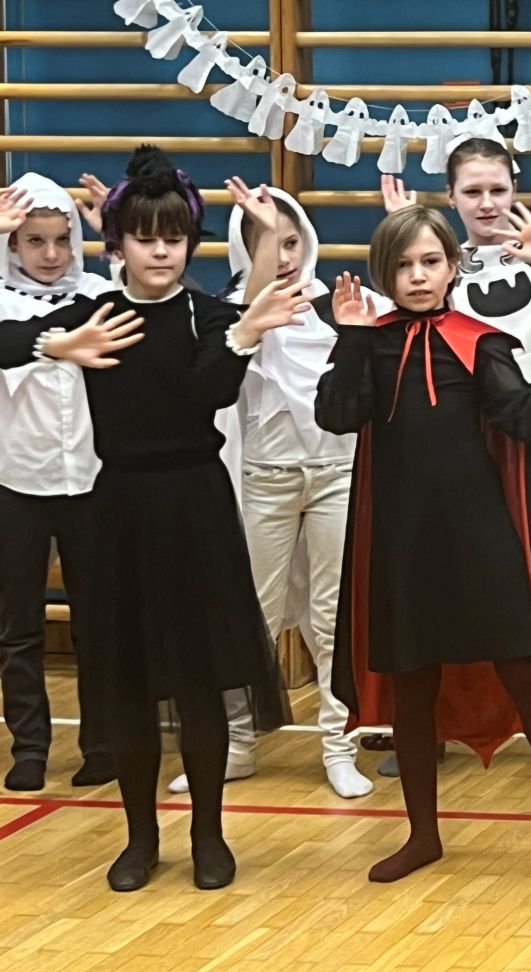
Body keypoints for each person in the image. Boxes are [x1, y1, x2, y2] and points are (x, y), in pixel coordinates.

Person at [0, 146, 307, 891]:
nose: (161, 251)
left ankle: (208, 834)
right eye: (145, 238)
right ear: (117, 245)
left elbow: (208, 393)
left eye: (174, 238)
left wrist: (263, 260)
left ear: (190, 244)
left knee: (200, 686)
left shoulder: (208, 315)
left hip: (196, 507)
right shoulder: (97, 313)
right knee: (129, 687)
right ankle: (140, 838)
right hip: (120, 510)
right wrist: (52, 344)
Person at [316, 205, 531, 888]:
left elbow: (527, 419)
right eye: (402, 266)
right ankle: (423, 834)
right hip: (403, 546)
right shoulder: (370, 343)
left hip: (482, 542)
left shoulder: (479, 342)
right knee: (412, 692)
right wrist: (353, 337)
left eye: (430, 262)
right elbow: (337, 415)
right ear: (383, 274)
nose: (418, 276)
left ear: (453, 266)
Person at [383, 138, 531, 776]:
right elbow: (406, 329)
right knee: (441, 587)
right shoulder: (437, 261)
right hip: (463, 453)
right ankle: (429, 731)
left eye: (498, 189)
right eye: (473, 191)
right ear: (452, 196)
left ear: (514, 189)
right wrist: (402, 230)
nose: (487, 203)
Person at [167, 181, 380, 801]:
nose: (283, 256)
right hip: (265, 479)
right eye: (264, 243)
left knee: (331, 617)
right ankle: (236, 744)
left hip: (336, 476)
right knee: (249, 615)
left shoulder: (340, 304)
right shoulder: (229, 312)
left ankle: (339, 745)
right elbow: (234, 344)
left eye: (290, 242)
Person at [0, 174, 118, 792]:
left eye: (61, 240)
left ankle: (103, 744)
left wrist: (113, 238)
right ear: (12, 245)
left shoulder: (99, 294)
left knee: (97, 621)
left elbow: (154, 297)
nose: (49, 254)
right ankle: (29, 747)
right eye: (32, 241)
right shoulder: (1, 302)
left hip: (90, 483)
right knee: (18, 625)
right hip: (15, 483)